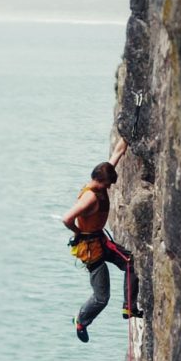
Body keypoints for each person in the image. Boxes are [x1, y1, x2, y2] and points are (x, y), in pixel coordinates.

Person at [62, 135, 141, 342]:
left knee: (130, 262)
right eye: (108, 184)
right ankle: (81, 320)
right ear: (101, 181)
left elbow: (117, 152)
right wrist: (78, 232)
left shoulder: (99, 181)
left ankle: (129, 307)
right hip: (91, 250)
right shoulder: (90, 197)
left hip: (100, 242)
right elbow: (67, 218)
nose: (109, 188)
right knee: (101, 298)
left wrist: (128, 132)